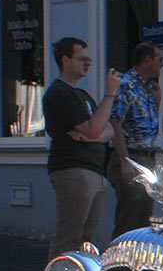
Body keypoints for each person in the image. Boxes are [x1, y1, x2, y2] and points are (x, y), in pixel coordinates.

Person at [43, 37, 120, 256]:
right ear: (65, 60)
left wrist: (90, 137)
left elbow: (109, 129)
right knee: (69, 238)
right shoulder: (59, 93)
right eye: (82, 59)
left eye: (89, 60)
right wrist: (110, 94)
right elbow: (96, 129)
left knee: (85, 241)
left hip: (94, 170)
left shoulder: (82, 95)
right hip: (73, 169)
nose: (87, 64)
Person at [108, 42, 163, 237]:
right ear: (147, 60)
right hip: (132, 157)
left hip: (148, 158)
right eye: (159, 59)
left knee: (145, 221)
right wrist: (124, 161)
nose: (162, 64)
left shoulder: (149, 88)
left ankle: (140, 257)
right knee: (128, 221)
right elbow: (115, 123)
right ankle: (119, 256)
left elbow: (147, 127)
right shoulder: (126, 85)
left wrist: (157, 102)